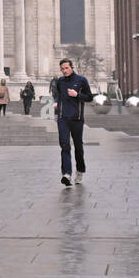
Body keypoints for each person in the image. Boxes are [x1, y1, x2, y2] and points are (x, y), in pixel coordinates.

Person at [51, 58, 93, 186]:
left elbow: (90, 97)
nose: (64, 71)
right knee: (65, 146)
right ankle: (67, 174)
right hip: (63, 118)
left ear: (72, 67)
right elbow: (57, 94)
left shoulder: (81, 80)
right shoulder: (60, 81)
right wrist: (56, 102)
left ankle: (80, 170)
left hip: (77, 119)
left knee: (78, 147)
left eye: (66, 68)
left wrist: (77, 95)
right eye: (62, 69)